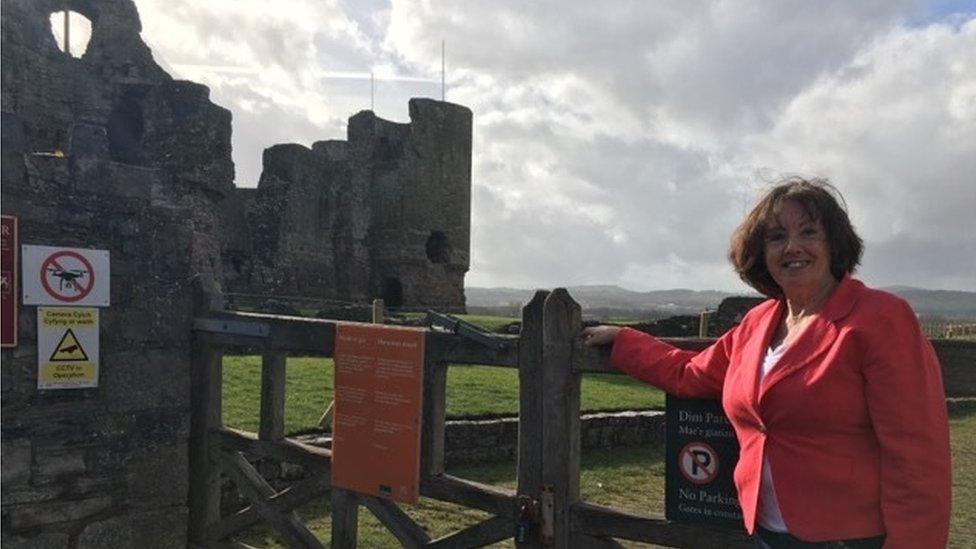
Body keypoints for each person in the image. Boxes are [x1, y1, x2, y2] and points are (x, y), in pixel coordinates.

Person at [582, 177, 950, 548]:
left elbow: (917, 454)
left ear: (834, 243)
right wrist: (624, 341)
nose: (793, 247)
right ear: (761, 252)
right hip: (764, 532)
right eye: (776, 237)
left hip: (849, 538)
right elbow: (689, 374)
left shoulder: (879, 319)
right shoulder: (758, 324)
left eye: (809, 232)